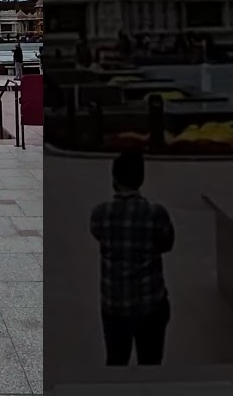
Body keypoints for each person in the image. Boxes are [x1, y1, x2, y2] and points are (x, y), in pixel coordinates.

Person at [90, 150, 175, 366]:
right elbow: (167, 245)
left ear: (114, 179)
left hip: (114, 304)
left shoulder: (101, 213)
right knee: (151, 361)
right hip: (150, 303)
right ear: (141, 179)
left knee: (116, 361)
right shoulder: (156, 213)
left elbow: (98, 234)